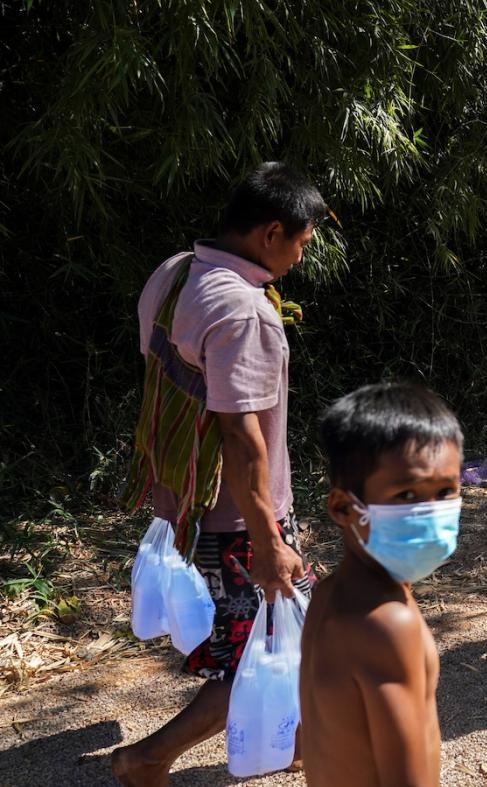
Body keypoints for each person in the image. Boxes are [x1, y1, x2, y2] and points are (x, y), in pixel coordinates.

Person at [112, 162, 325, 785]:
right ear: (271, 232)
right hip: (236, 516)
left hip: (181, 495)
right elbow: (240, 433)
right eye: (301, 243)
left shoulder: (176, 273)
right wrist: (268, 541)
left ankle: (298, 741)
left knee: (283, 634)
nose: (300, 258)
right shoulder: (246, 312)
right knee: (260, 652)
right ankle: (146, 759)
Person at [300, 383, 463, 786]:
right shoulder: (388, 624)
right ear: (343, 507)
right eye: (407, 494)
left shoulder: (328, 594)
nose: (430, 511)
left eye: (445, 491)